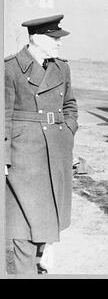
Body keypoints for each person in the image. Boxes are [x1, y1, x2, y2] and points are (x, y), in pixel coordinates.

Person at [5, 14, 78, 274]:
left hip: (56, 149)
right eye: (53, 38)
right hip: (24, 152)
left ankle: (41, 257)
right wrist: (3, 156)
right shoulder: (10, 68)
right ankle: (27, 270)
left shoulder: (61, 67)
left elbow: (70, 104)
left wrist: (68, 130)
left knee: (48, 213)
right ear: (36, 39)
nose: (59, 43)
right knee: (23, 217)